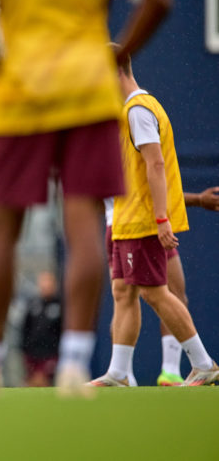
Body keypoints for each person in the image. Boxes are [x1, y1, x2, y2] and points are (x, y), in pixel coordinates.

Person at [0, 0, 173, 396]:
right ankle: (74, 363)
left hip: (18, 91)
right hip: (88, 93)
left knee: (2, 231)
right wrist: (116, 52)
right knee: (83, 225)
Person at [90, 48, 219, 387]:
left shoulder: (138, 110)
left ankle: (204, 364)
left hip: (140, 220)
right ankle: (119, 372)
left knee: (155, 292)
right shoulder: (130, 111)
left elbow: (156, 164)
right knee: (123, 290)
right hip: (123, 220)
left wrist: (161, 219)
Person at [103, 187, 219, 386]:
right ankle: (123, 373)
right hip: (132, 224)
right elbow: (147, 182)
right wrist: (197, 199)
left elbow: (151, 181)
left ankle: (172, 370)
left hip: (143, 222)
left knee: (154, 294)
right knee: (129, 295)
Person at [21, 271, 62, 387]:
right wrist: (25, 350)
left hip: (51, 355)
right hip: (33, 354)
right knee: (31, 383)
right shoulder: (33, 304)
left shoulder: (61, 305)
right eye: (43, 282)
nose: (45, 285)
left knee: (44, 382)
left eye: (48, 282)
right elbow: (25, 328)